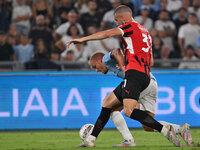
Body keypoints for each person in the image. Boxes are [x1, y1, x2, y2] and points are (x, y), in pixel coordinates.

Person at [67, 5, 182, 147]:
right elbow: (151, 60)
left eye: (116, 20)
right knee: (107, 103)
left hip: (134, 73)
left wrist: (83, 39)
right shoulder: (146, 32)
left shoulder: (130, 26)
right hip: (145, 74)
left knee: (128, 111)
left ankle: (165, 131)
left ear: (122, 18)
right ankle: (90, 140)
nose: (116, 23)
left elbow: (106, 34)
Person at [88, 50, 192, 147]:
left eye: (95, 66)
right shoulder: (114, 62)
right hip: (152, 83)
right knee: (148, 126)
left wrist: (123, 66)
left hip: (139, 82)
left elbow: (117, 51)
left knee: (110, 106)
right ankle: (180, 129)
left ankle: (128, 140)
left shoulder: (106, 59)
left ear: (99, 60)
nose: (96, 70)